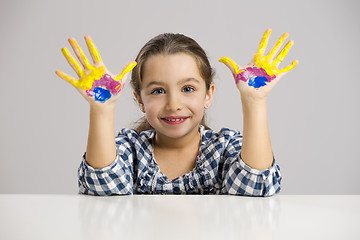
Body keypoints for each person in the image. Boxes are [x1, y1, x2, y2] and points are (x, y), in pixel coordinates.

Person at [56, 29, 297, 196]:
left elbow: (256, 187)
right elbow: (101, 187)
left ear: (208, 94)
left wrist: (254, 101)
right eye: (158, 90)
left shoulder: (224, 148)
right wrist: (102, 109)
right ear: (139, 99)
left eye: (188, 89)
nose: (174, 104)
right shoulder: (129, 149)